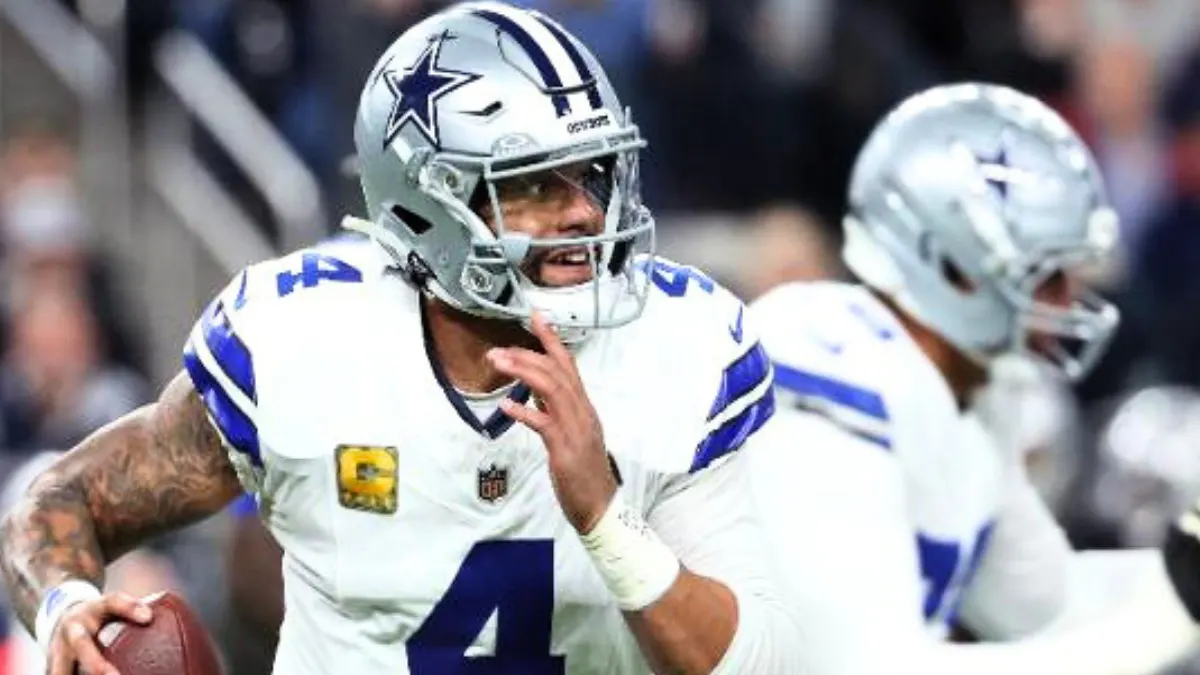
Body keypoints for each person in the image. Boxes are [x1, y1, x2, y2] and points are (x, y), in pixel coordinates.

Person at [0, 3, 798, 674]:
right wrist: (67, 604)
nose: (584, 212)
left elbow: (763, 661)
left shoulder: (678, 345)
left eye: (590, 173)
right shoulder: (306, 338)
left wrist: (606, 519)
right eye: (530, 184)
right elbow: (55, 500)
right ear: (426, 201)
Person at [749, 82, 1200, 674]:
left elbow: (1045, 604)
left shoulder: (963, 391)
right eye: (1049, 275)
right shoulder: (822, 384)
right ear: (955, 267)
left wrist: (1183, 574)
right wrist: (1169, 620)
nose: (1071, 301)